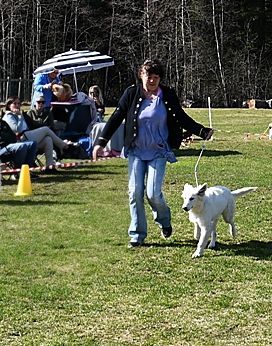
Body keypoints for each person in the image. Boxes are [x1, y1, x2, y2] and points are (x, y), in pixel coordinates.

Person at [91, 59, 213, 248]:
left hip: (159, 151)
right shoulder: (132, 93)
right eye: (149, 76)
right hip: (136, 151)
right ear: (142, 76)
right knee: (134, 193)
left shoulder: (167, 95)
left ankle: (164, 220)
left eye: (156, 77)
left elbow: (180, 117)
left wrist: (202, 131)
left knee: (153, 193)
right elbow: (116, 117)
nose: (152, 81)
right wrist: (101, 142)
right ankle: (137, 235)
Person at [3, 96, 73, 168]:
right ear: (9, 105)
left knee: (48, 139)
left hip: (27, 137)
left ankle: (50, 166)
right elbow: (17, 130)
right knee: (46, 129)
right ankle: (64, 146)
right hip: (20, 139)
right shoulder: (9, 116)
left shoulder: (17, 114)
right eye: (14, 103)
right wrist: (20, 116)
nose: (17, 105)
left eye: (18, 103)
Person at [0, 99, 39, 179]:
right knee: (22, 146)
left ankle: (26, 170)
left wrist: (6, 136)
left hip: (8, 146)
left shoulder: (2, 122)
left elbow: (13, 137)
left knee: (33, 143)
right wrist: (6, 136)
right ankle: (16, 172)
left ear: (0, 110)